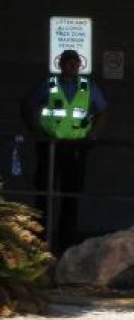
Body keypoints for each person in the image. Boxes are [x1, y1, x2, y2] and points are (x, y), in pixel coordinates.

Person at [20, 49, 109, 251]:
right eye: (67, 62)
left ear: (79, 65)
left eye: (74, 63)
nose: (71, 66)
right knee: (44, 191)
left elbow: (103, 111)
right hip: (50, 146)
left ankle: (67, 242)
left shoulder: (88, 86)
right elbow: (27, 105)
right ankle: (38, 238)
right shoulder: (50, 84)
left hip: (76, 147)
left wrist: (92, 134)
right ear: (60, 65)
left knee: (71, 194)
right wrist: (36, 130)